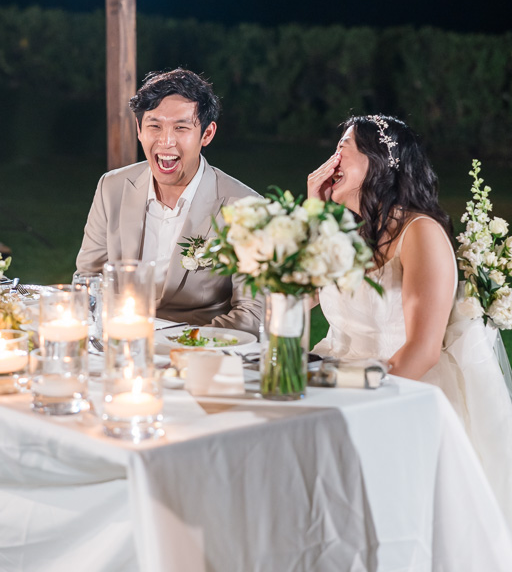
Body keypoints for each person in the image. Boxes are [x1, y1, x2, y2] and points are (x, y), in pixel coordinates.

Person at [308, 114, 512, 529]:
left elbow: (422, 350)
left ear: (380, 162)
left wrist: (351, 399)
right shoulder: (344, 232)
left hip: (401, 389)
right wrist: (313, 213)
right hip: (328, 375)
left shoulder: (420, 233)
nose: (332, 162)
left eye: (343, 151)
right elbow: (289, 300)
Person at [76, 68, 262, 333]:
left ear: (207, 134)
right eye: (154, 126)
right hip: (118, 341)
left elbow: (253, 311)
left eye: (180, 128)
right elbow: (88, 278)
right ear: (139, 129)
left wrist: (184, 345)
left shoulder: (245, 206)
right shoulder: (112, 187)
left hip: (199, 352)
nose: (165, 141)